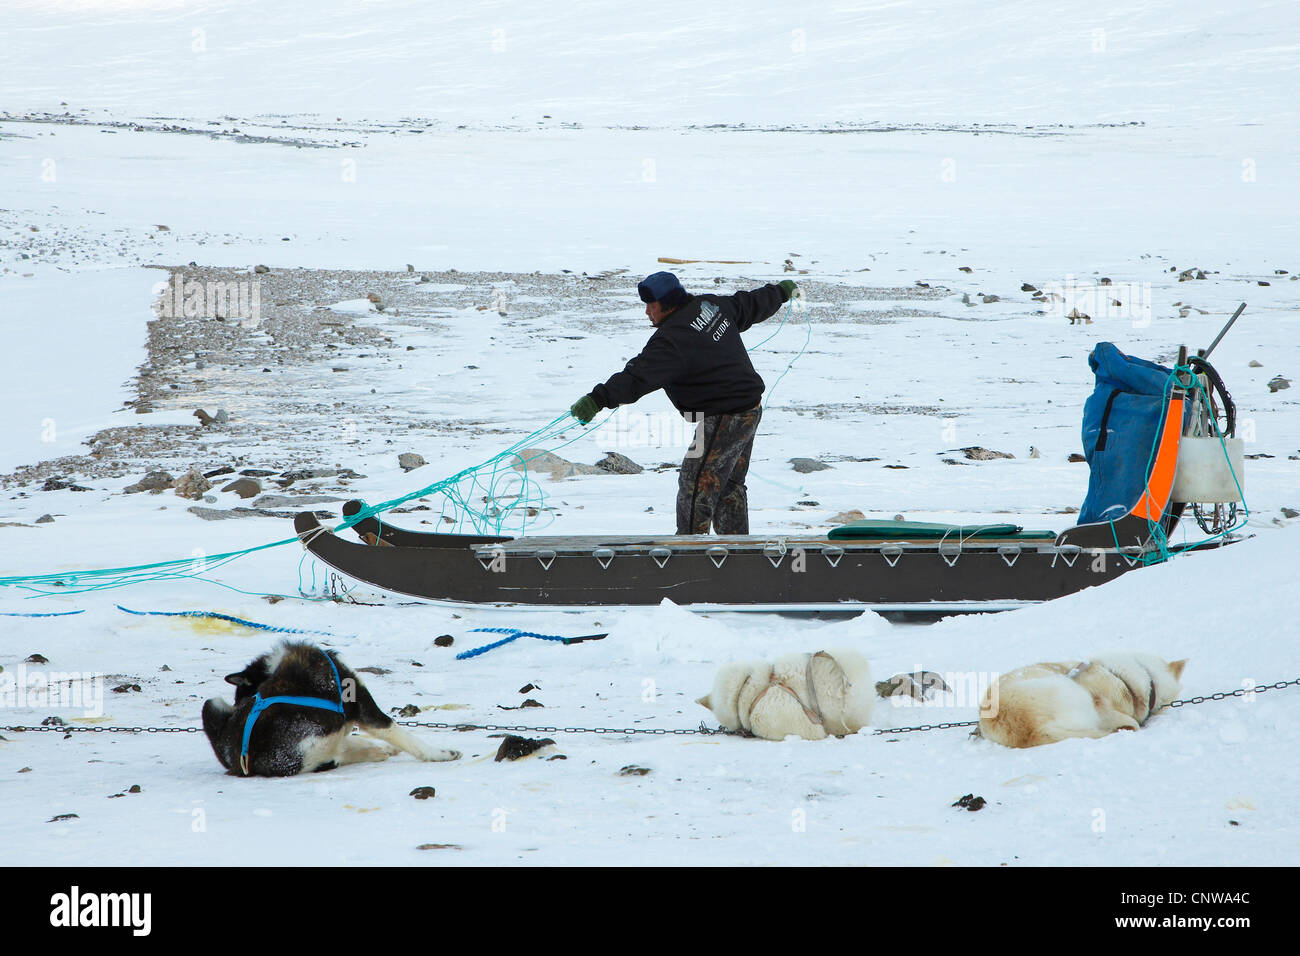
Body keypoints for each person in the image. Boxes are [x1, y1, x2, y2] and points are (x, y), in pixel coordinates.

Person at [569, 271, 799, 535]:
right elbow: (748, 304)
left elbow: (637, 376)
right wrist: (780, 292)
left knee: (696, 485)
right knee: (727, 485)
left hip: (726, 416)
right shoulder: (709, 306)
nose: (647, 312)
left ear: (666, 304)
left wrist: (596, 399)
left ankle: (690, 553)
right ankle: (738, 554)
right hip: (750, 408)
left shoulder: (673, 340)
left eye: (650, 305)